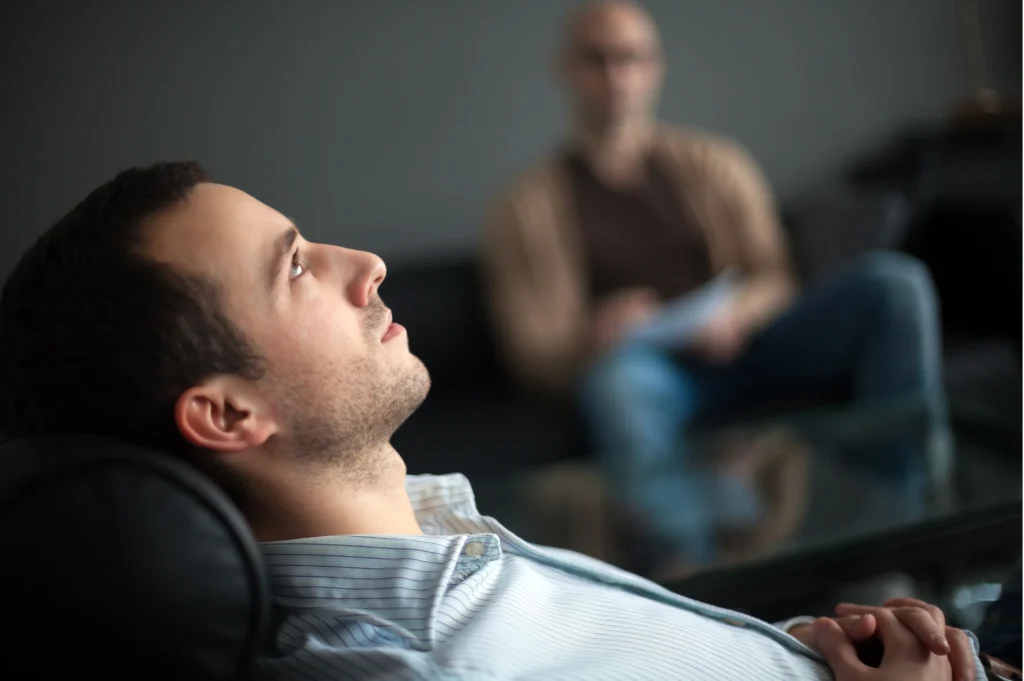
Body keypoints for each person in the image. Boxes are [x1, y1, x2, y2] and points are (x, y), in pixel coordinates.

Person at [0, 163, 995, 681]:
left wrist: (784, 647)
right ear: (226, 412)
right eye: (295, 265)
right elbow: (542, 345)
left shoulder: (438, 538)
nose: (367, 265)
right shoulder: (429, 661)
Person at [482, 0, 951, 569]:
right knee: (619, 385)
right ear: (566, 70)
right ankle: (691, 574)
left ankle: (904, 533)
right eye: (597, 59)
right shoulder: (523, 207)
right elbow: (531, 353)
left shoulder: (716, 162)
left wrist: (738, 315)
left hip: (748, 343)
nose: (616, 76)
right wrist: (594, 335)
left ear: (655, 67)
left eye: (631, 58)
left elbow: (773, 274)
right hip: (647, 369)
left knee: (895, 284)